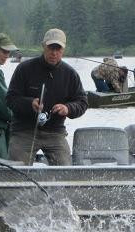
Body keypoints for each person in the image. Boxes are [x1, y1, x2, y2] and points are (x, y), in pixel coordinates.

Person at [6, 28, 88, 165]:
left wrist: (67, 108)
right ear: (43, 46)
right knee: (16, 172)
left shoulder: (70, 74)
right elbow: (10, 99)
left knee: (66, 171)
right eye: (51, 48)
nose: (54, 53)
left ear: (63, 49)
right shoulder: (24, 69)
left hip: (55, 132)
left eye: (58, 49)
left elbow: (82, 103)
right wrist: (29, 103)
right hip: (24, 131)